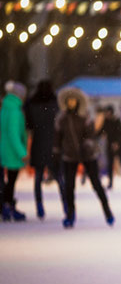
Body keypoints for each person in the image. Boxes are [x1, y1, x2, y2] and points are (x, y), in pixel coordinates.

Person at [54, 87, 113, 228]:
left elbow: (91, 134)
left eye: (74, 100)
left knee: (96, 184)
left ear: (78, 101)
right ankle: (70, 215)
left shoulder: (85, 117)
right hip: (69, 155)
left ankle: (108, 212)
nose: (71, 103)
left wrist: (87, 145)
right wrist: (56, 151)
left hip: (87, 154)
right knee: (69, 187)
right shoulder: (61, 119)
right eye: (69, 100)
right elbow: (57, 137)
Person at [25, 80, 66, 219]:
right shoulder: (56, 104)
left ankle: (39, 207)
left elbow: (28, 125)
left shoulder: (31, 104)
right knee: (59, 178)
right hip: (53, 145)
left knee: (38, 178)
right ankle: (66, 206)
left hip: (38, 144)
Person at [0, 81, 28, 222]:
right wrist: (22, 153)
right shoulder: (15, 111)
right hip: (12, 152)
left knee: (5, 181)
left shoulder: (5, 108)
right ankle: (8, 206)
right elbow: (13, 134)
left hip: (3, 149)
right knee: (11, 181)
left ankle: (6, 206)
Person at [98, 105, 121, 189]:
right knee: (110, 164)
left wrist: (116, 143)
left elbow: (120, 133)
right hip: (110, 145)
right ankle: (110, 183)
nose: (107, 114)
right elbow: (101, 131)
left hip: (120, 146)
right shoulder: (106, 121)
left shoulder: (117, 121)